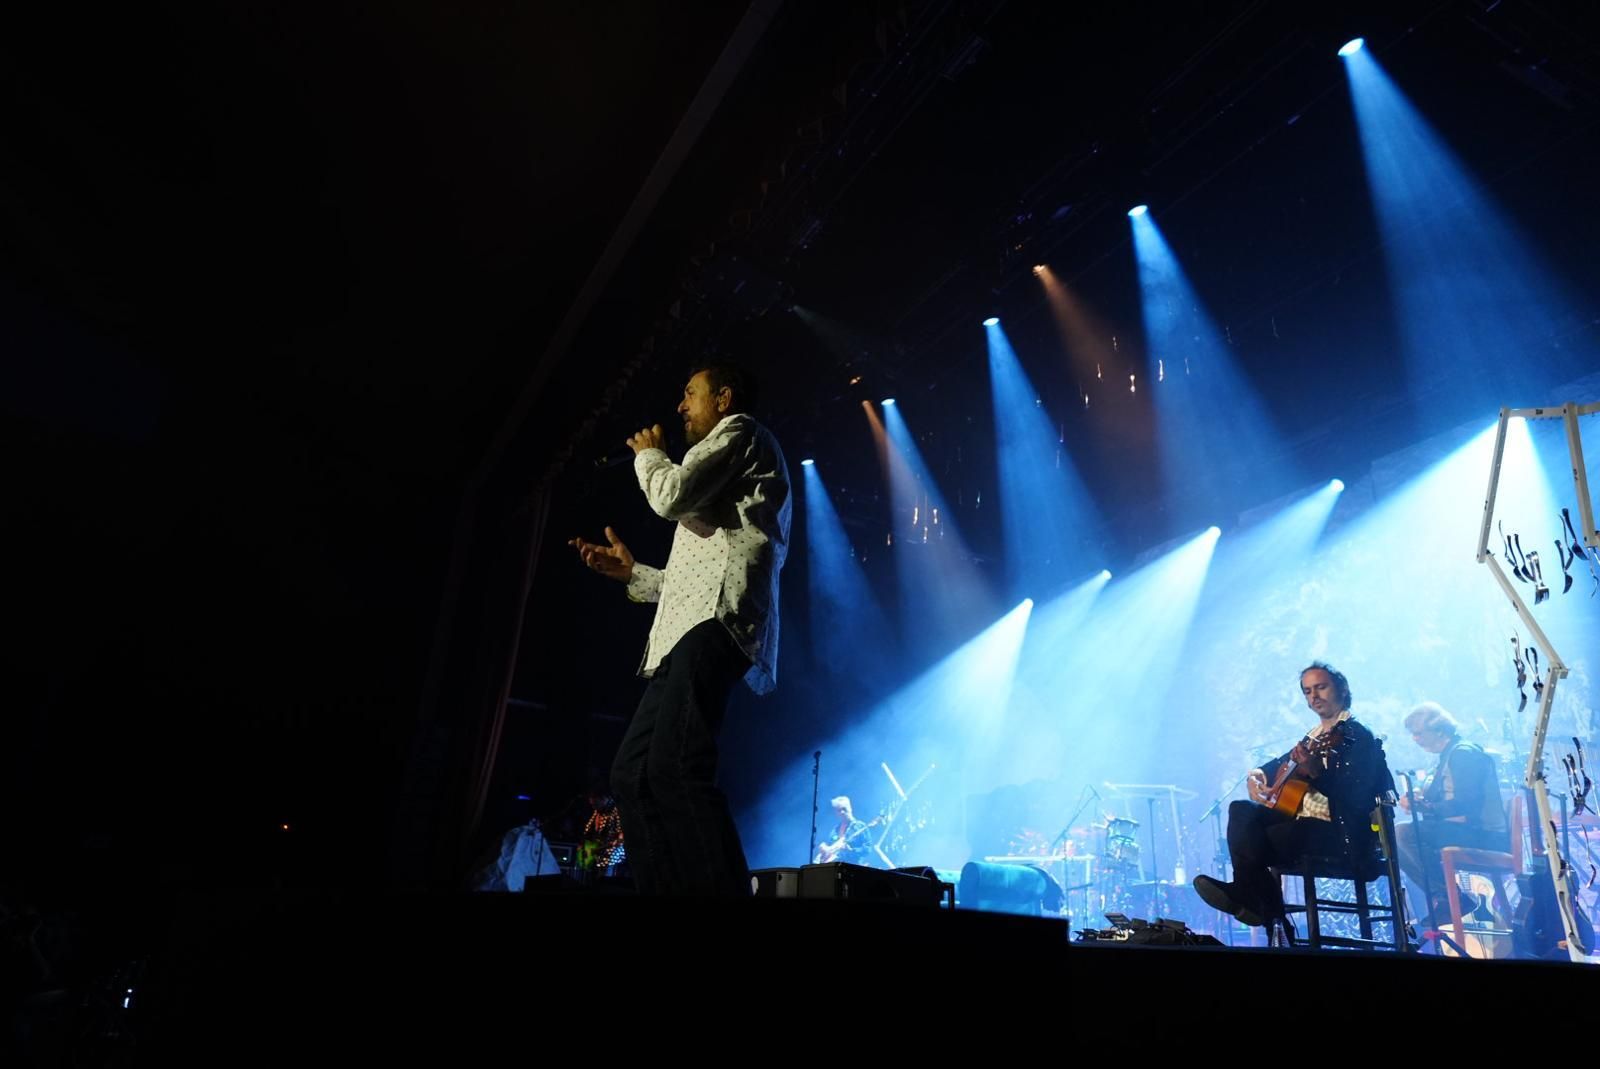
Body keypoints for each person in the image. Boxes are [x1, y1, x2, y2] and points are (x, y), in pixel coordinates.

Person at [569, 362, 791, 896]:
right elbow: (690, 574)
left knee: (677, 766)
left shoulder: (739, 433)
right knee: (631, 774)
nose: (679, 405)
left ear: (724, 398)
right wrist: (633, 574)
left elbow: (668, 496)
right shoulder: (720, 470)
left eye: (690, 393)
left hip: (717, 622)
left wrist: (648, 455)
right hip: (685, 628)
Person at [1193, 662, 1394, 932]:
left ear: (1342, 689)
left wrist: (1318, 773)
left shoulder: (1356, 735)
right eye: (1307, 691)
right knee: (1241, 809)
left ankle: (1266, 911)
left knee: (1262, 840)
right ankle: (1254, 898)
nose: (1314, 696)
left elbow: (1356, 798)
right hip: (1305, 827)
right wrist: (1256, 776)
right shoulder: (1313, 738)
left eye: (1321, 687)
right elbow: (1274, 766)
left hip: (1343, 832)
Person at [1395, 702, 1506, 926]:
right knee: (1398, 837)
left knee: (1403, 834)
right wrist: (1422, 800)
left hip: (1484, 835)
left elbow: (1466, 804)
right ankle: (1445, 897)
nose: (1415, 739)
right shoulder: (1448, 755)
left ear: (1439, 730)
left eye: (1418, 733)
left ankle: (1448, 897)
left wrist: (1425, 807)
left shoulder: (1463, 754)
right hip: (1467, 830)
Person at [814, 796, 876, 866]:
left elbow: (867, 849)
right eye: (839, 810)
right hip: (836, 867)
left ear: (850, 808)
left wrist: (851, 850)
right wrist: (824, 849)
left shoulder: (860, 826)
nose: (842, 812)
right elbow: (830, 848)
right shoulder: (835, 830)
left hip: (853, 867)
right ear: (836, 813)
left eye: (844, 809)